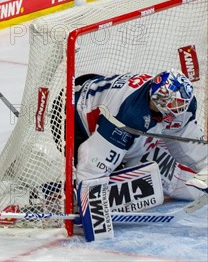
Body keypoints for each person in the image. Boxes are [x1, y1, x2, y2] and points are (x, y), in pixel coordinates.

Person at [73, 70, 207, 240]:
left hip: (122, 120)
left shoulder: (178, 107)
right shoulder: (128, 113)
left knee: (187, 186)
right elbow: (94, 164)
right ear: (160, 99)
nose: (179, 110)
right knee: (114, 181)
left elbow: (190, 146)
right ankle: (74, 193)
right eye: (174, 105)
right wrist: (95, 218)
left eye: (181, 105)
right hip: (74, 119)